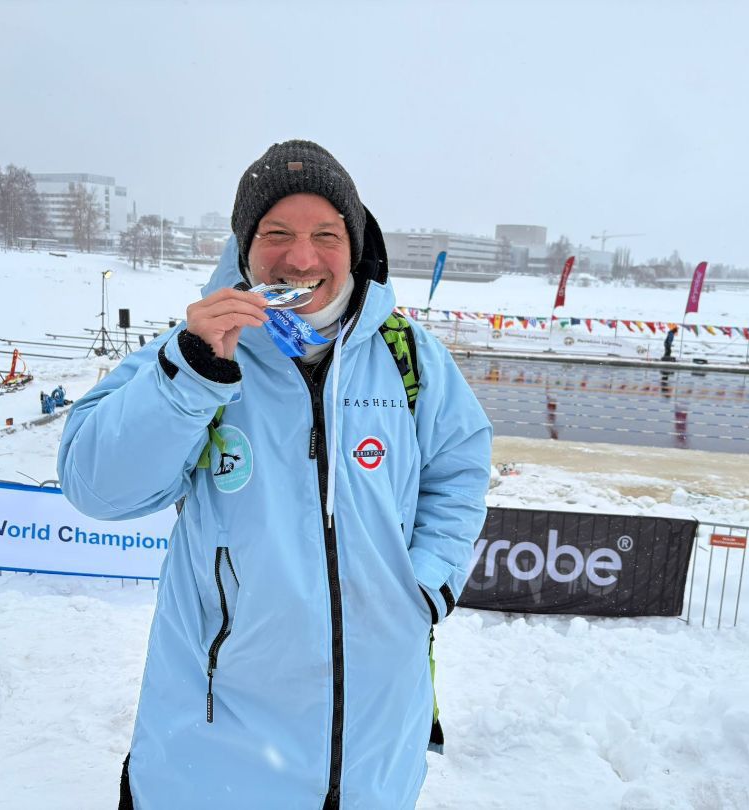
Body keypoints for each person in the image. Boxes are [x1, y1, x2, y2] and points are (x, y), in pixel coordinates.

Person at [57, 140, 493, 809]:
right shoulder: (196, 351)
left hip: (373, 757)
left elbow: (459, 471)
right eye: (277, 233)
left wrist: (425, 585)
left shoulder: (410, 357)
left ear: (354, 246)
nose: (302, 258)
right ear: (244, 246)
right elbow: (96, 487)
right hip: (215, 762)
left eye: (326, 235)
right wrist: (191, 375)